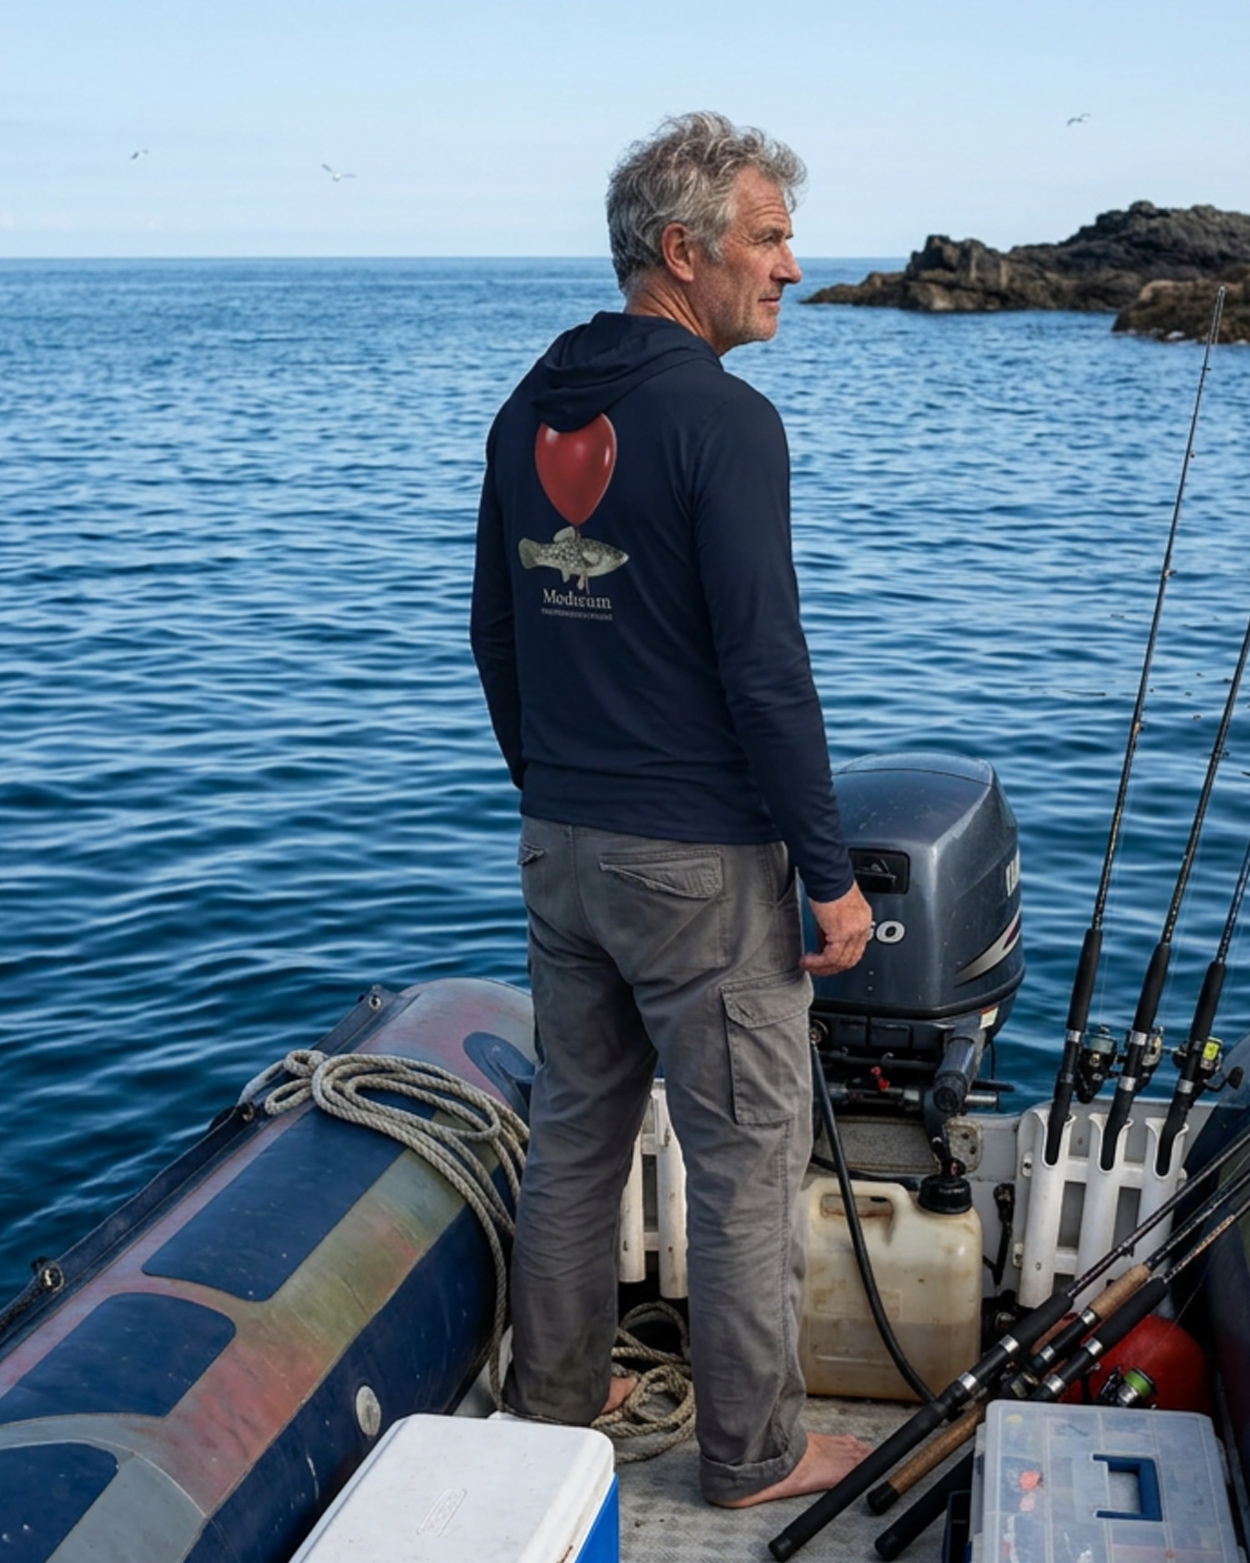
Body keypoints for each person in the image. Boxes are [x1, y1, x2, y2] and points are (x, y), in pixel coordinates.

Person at [470, 111, 873, 1507]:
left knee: (576, 1141)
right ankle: (753, 1457)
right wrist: (828, 872)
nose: (792, 267)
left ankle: (552, 1412)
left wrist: (557, 798)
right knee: (745, 1166)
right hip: (701, 868)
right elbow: (767, 671)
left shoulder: (529, 406)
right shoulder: (723, 422)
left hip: (562, 847)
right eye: (769, 239)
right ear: (684, 251)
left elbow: (495, 635)